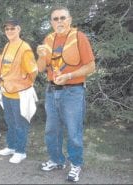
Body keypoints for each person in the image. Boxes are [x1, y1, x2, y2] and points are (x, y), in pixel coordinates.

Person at [36, 6, 95, 182]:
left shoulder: (79, 37)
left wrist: (69, 75)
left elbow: (91, 66)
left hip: (73, 92)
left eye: (63, 18)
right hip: (51, 91)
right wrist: (40, 56)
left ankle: (75, 164)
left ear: (69, 20)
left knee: (73, 131)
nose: (59, 21)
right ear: (51, 22)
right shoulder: (48, 39)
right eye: (55, 19)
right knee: (51, 130)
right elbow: (40, 68)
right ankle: (56, 160)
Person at [0, 19, 38, 164]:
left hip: (19, 93)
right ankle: (12, 147)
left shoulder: (24, 48)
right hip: (6, 91)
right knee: (10, 121)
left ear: (18, 29)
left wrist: (24, 84)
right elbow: (4, 67)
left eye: (12, 28)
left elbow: (33, 71)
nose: (9, 31)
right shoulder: (7, 45)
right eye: (6, 29)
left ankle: (21, 152)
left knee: (20, 123)